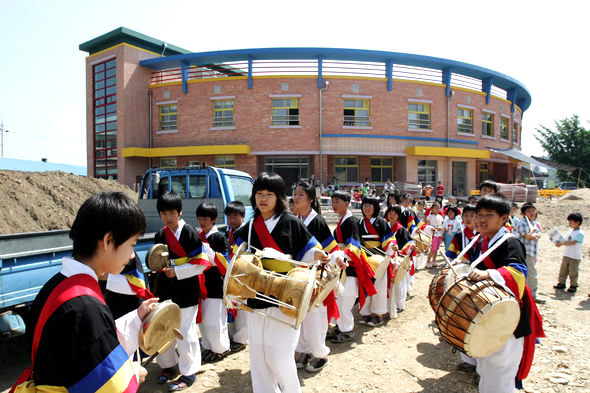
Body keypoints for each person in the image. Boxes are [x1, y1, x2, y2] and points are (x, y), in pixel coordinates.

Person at [13, 192, 156, 392]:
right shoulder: (86, 305)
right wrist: (133, 372)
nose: (132, 255)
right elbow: (106, 382)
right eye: (132, 244)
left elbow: (83, 345)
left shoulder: (57, 285)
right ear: (108, 240)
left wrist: (136, 318)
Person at [233, 172, 326, 393]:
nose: (262, 198)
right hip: (256, 295)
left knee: (280, 353)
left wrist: (318, 255)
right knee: (258, 352)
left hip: (286, 295)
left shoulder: (291, 222)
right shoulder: (248, 227)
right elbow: (238, 256)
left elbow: (310, 250)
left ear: (279, 197)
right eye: (259, 193)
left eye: (269, 194)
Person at [469, 194, 544, 393]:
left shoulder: (510, 243)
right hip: (490, 311)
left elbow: (519, 274)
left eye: (489, 215)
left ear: (504, 218)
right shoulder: (483, 241)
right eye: (479, 214)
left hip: (509, 314)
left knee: (500, 367)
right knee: (488, 365)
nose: (482, 219)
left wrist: (488, 273)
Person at [153, 191, 210, 391]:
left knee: (184, 331)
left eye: (171, 212)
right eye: (163, 213)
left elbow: (202, 264)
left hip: (186, 289)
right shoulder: (160, 234)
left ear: (179, 212)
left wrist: (176, 271)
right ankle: (168, 365)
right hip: (166, 289)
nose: (168, 217)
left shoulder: (190, 233)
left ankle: (189, 371)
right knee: (164, 328)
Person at [293, 181, 346, 373]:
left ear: (310, 199)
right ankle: (305, 350)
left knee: (316, 317)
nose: (296, 198)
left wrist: (338, 259)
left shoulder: (318, 222)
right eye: (295, 194)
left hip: (317, 276)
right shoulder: (296, 219)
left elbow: (333, 249)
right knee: (302, 315)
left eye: (300, 195)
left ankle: (320, 354)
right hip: (299, 275)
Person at [328, 190, 377, 343]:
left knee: (346, 299)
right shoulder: (343, 221)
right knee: (339, 299)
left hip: (351, 266)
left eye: (337, 201)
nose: (334, 205)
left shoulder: (351, 221)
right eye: (333, 201)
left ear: (347, 203)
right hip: (342, 264)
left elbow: (354, 246)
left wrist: (341, 257)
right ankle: (339, 326)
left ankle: (347, 330)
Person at [196, 202, 231, 363]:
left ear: (214, 219)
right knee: (204, 322)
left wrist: (206, 252)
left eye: (205, 218)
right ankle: (208, 347)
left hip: (215, 284)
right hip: (201, 284)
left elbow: (225, 262)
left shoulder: (219, 238)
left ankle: (220, 349)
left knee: (215, 321)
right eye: (199, 218)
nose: (201, 222)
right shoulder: (199, 236)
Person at [359, 195, 396, 327]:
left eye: (370, 205)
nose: (366, 208)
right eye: (364, 205)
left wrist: (391, 247)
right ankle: (366, 312)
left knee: (378, 287)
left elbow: (389, 239)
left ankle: (379, 315)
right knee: (364, 285)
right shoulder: (359, 223)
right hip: (364, 259)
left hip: (378, 259)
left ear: (375, 207)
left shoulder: (381, 222)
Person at [224, 201, 248, 351]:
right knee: (233, 304)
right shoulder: (229, 232)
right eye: (229, 217)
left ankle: (242, 338)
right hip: (232, 272)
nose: (232, 220)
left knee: (242, 306)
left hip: (243, 273)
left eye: (235, 217)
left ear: (243, 216)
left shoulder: (246, 231)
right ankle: (234, 334)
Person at [384, 204, 415, 314]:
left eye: (394, 214)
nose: (391, 216)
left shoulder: (401, 230)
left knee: (399, 282)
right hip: (386, 257)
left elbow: (409, 242)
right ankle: (387, 303)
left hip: (398, 258)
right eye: (390, 213)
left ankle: (400, 304)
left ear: (398, 216)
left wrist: (408, 248)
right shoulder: (384, 227)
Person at [514, 202, 543, 304]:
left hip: (532, 252)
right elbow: (528, 236)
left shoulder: (534, 223)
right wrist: (534, 234)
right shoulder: (523, 223)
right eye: (529, 211)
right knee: (532, 274)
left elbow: (538, 234)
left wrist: (534, 234)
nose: (532, 213)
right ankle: (533, 296)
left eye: (533, 211)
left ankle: (527, 295)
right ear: (523, 214)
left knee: (528, 274)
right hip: (525, 252)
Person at [554, 212, 584, 293]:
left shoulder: (580, 233)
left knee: (573, 271)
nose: (569, 224)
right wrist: (557, 241)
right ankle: (561, 283)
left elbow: (572, 242)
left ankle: (573, 285)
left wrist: (562, 243)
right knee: (563, 270)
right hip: (567, 254)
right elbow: (565, 240)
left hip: (575, 256)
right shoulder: (570, 231)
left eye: (571, 222)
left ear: (578, 222)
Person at [425, 201, 443, 268]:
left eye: (438, 208)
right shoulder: (430, 216)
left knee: (436, 249)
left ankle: (434, 261)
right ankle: (428, 262)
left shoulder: (440, 217)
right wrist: (433, 228)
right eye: (435, 208)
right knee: (432, 249)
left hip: (439, 235)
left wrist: (440, 228)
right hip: (433, 235)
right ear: (432, 209)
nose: (437, 210)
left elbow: (442, 225)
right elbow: (427, 226)